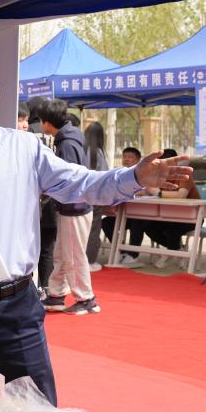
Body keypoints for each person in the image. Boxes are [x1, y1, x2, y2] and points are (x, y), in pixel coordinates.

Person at [0, 48, 191, 405]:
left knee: (40, 410)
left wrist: (135, 177)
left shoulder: (24, 148)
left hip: (18, 307)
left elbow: (82, 183)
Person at [38, 100, 101, 315]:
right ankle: (56, 295)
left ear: (47, 123)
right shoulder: (70, 138)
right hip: (73, 207)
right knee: (62, 254)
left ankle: (86, 299)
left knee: (72, 256)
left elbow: (68, 178)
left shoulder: (66, 144)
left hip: (75, 207)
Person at [144, 147, 200, 270]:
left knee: (172, 227)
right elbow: (146, 190)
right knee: (148, 225)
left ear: (176, 163)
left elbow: (181, 195)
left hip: (191, 218)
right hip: (167, 215)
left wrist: (158, 193)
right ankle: (176, 249)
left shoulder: (184, 175)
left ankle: (170, 252)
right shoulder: (159, 176)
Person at [101, 147, 146, 267]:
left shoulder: (143, 174)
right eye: (124, 157)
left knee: (137, 222)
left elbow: (148, 190)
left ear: (138, 160)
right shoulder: (118, 174)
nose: (126, 159)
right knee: (106, 222)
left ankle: (133, 255)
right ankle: (120, 251)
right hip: (122, 212)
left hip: (141, 213)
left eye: (130, 157)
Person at [83, 121, 109, 271]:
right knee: (93, 230)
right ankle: (90, 261)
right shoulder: (98, 153)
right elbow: (105, 177)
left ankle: (79, 261)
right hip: (94, 198)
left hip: (78, 196)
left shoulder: (80, 150)